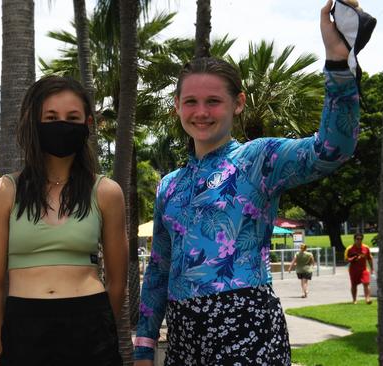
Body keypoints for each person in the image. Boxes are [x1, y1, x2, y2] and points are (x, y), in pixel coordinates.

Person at [134, 2, 360, 365]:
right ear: (177, 106)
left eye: (214, 101)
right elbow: (159, 267)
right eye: (190, 101)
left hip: (246, 323)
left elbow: (333, 148)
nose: (201, 112)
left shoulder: (260, 159)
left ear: (238, 103)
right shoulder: (169, 186)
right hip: (183, 335)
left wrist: (337, 63)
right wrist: (144, 344)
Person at [0, 75, 128, 365]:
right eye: (51, 117)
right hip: (24, 329)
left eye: (72, 117)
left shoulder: (107, 192)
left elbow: (117, 282)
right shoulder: (3, 191)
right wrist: (1, 348)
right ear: (33, 122)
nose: (62, 124)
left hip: (91, 328)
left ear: (87, 124)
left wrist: (99, 327)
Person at [344, 233, 374, 304]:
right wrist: (353, 258)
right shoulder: (349, 248)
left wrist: (372, 268)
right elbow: (345, 259)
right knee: (354, 285)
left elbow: (369, 258)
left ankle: (367, 299)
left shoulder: (366, 248)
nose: (359, 240)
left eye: (361, 239)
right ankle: (354, 300)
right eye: (357, 239)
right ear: (354, 239)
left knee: (366, 283)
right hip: (353, 270)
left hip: (364, 269)